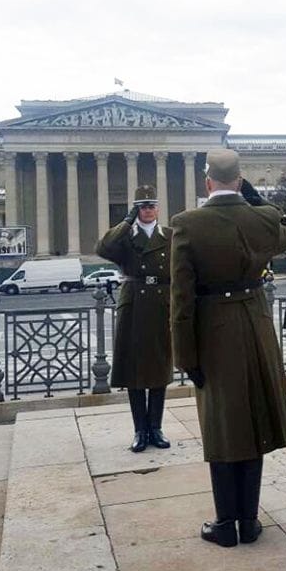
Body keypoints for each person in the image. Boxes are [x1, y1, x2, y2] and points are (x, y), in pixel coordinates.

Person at [169, 149, 286, 548]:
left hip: (214, 332)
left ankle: (226, 524)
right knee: (255, 420)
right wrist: (256, 200)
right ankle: (249, 519)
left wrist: (185, 356)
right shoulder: (261, 219)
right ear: (240, 182)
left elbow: (181, 301)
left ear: (207, 183)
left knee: (223, 427)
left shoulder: (187, 224)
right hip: (255, 327)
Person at [96, 185, 173, 453]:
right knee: (134, 369)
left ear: (157, 208)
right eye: (142, 206)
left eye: (151, 205)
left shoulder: (169, 235)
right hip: (134, 304)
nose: (148, 210)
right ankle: (140, 429)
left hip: (161, 303)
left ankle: (156, 427)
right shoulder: (126, 237)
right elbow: (103, 247)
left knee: (160, 368)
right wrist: (127, 221)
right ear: (136, 209)